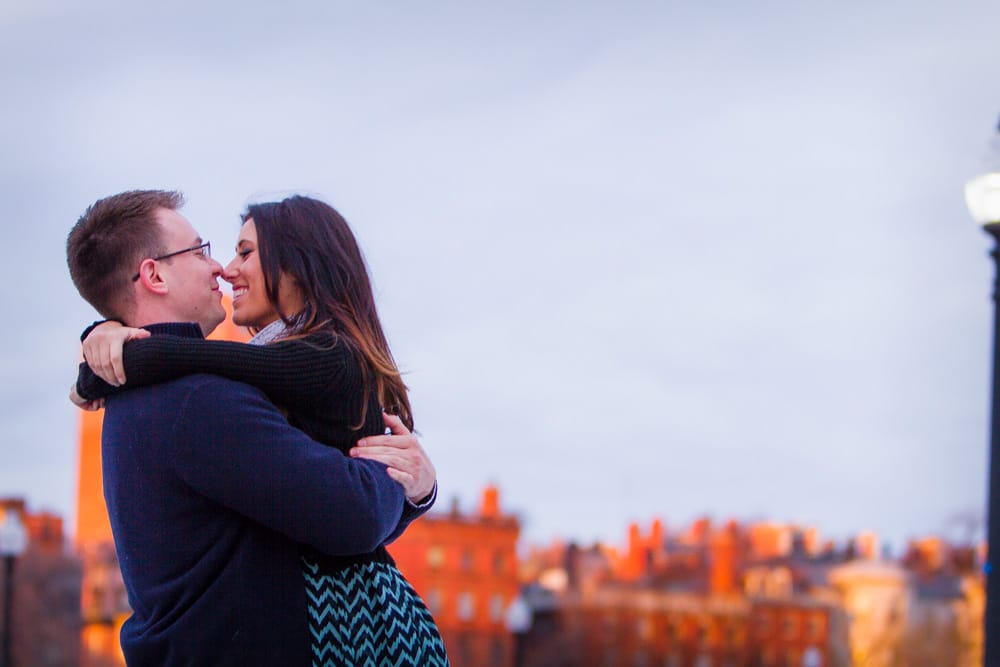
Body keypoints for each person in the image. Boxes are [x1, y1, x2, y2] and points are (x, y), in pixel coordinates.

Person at [66, 190, 446, 666]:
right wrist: (406, 481)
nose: (219, 268)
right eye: (200, 250)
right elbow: (355, 514)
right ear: (154, 274)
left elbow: (311, 503)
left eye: (241, 252)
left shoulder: (150, 396)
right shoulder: (198, 401)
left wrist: (106, 350)